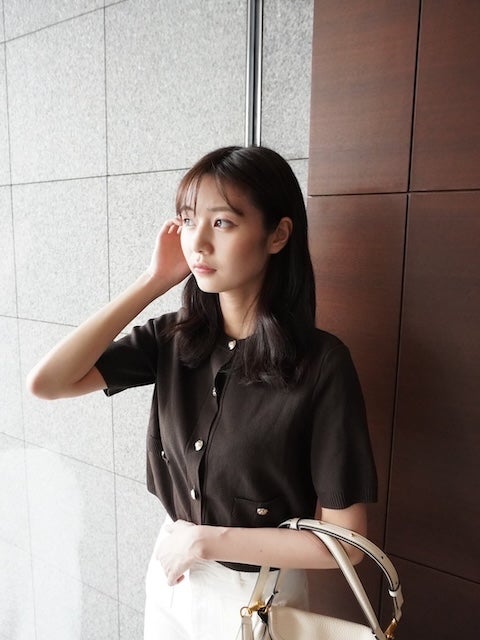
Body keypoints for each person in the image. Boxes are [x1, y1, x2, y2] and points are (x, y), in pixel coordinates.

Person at [27, 145, 377, 640]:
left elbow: (347, 543)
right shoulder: (174, 339)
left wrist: (207, 541)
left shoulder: (321, 364)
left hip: (257, 597)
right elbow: (48, 382)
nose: (199, 242)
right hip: (172, 576)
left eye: (223, 223)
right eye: (189, 221)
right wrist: (153, 280)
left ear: (277, 235)